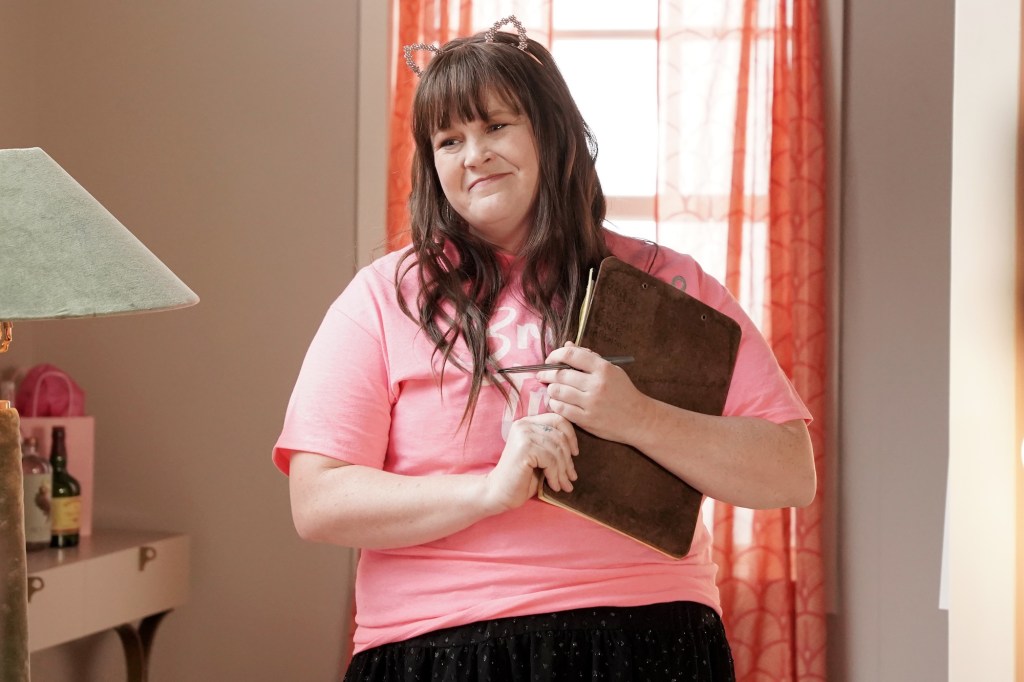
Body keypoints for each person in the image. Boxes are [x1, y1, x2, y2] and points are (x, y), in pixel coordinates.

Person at [274, 16, 815, 682]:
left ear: (552, 133)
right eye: (449, 140)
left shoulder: (669, 283)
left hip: (650, 638)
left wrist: (638, 418)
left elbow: (790, 472)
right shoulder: (381, 298)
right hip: (438, 648)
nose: (474, 155)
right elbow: (318, 501)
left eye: (497, 126)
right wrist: (487, 492)